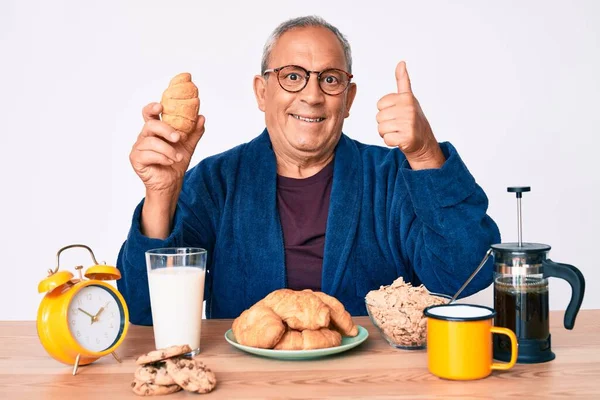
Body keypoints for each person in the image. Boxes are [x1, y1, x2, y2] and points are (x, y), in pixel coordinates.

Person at [116, 15, 500, 325]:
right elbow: (142, 310)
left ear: (348, 100)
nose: (313, 95)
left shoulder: (393, 177)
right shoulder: (216, 183)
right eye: (293, 76)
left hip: (371, 382)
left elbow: (466, 274)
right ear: (262, 92)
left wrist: (426, 153)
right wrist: (161, 195)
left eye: (330, 79)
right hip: (247, 383)